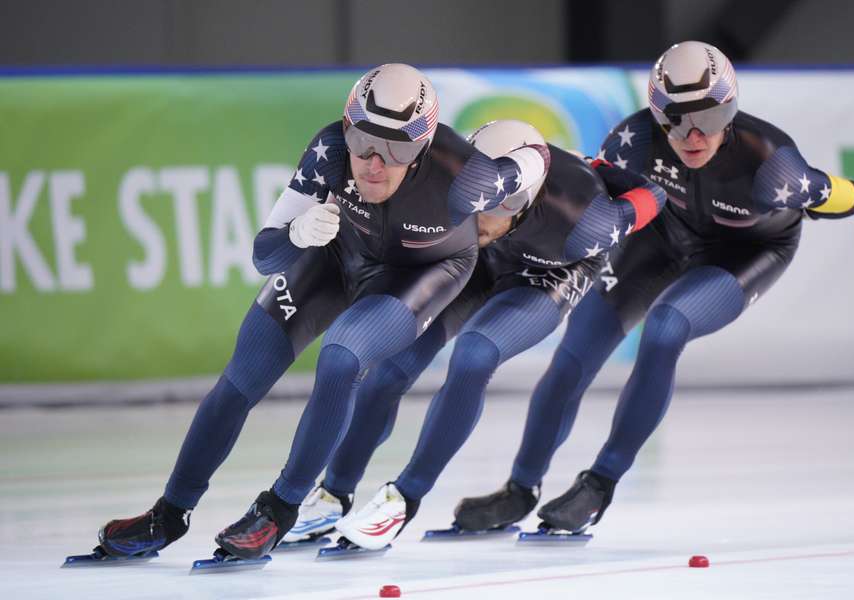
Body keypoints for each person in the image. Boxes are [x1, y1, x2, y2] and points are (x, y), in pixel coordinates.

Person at [93, 64, 552, 561]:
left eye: (396, 148)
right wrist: (294, 234)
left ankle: (280, 509)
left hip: (422, 273)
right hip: (339, 253)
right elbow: (264, 256)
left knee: (340, 358)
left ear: (421, 148)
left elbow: (534, 156)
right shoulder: (330, 150)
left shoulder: (464, 176)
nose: (374, 163)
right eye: (363, 141)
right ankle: (170, 512)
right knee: (241, 376)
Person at [448, 40, 854, 536]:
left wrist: (819, 190)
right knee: (577, 350)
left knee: (667, 326)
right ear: (655, 114)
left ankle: (599, 484)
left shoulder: (771, 164)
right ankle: (521, 488)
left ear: (730, 110)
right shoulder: (634, 142)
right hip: (663, 236)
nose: (691, 134)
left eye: (707, 118)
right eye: (673, 117)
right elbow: (587, 201)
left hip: (745, 254)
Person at [279, 118, 667, 551]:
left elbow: (655, 194)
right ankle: (334, 493)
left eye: (498, 206)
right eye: (474, 200)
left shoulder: (585, 220)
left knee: (474, 354)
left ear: (522, 202)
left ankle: (404, 497)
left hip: (552, 269)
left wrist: (599, 166)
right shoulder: (459, 187)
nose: (482, 215)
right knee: (392, 365)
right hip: (477, 259)